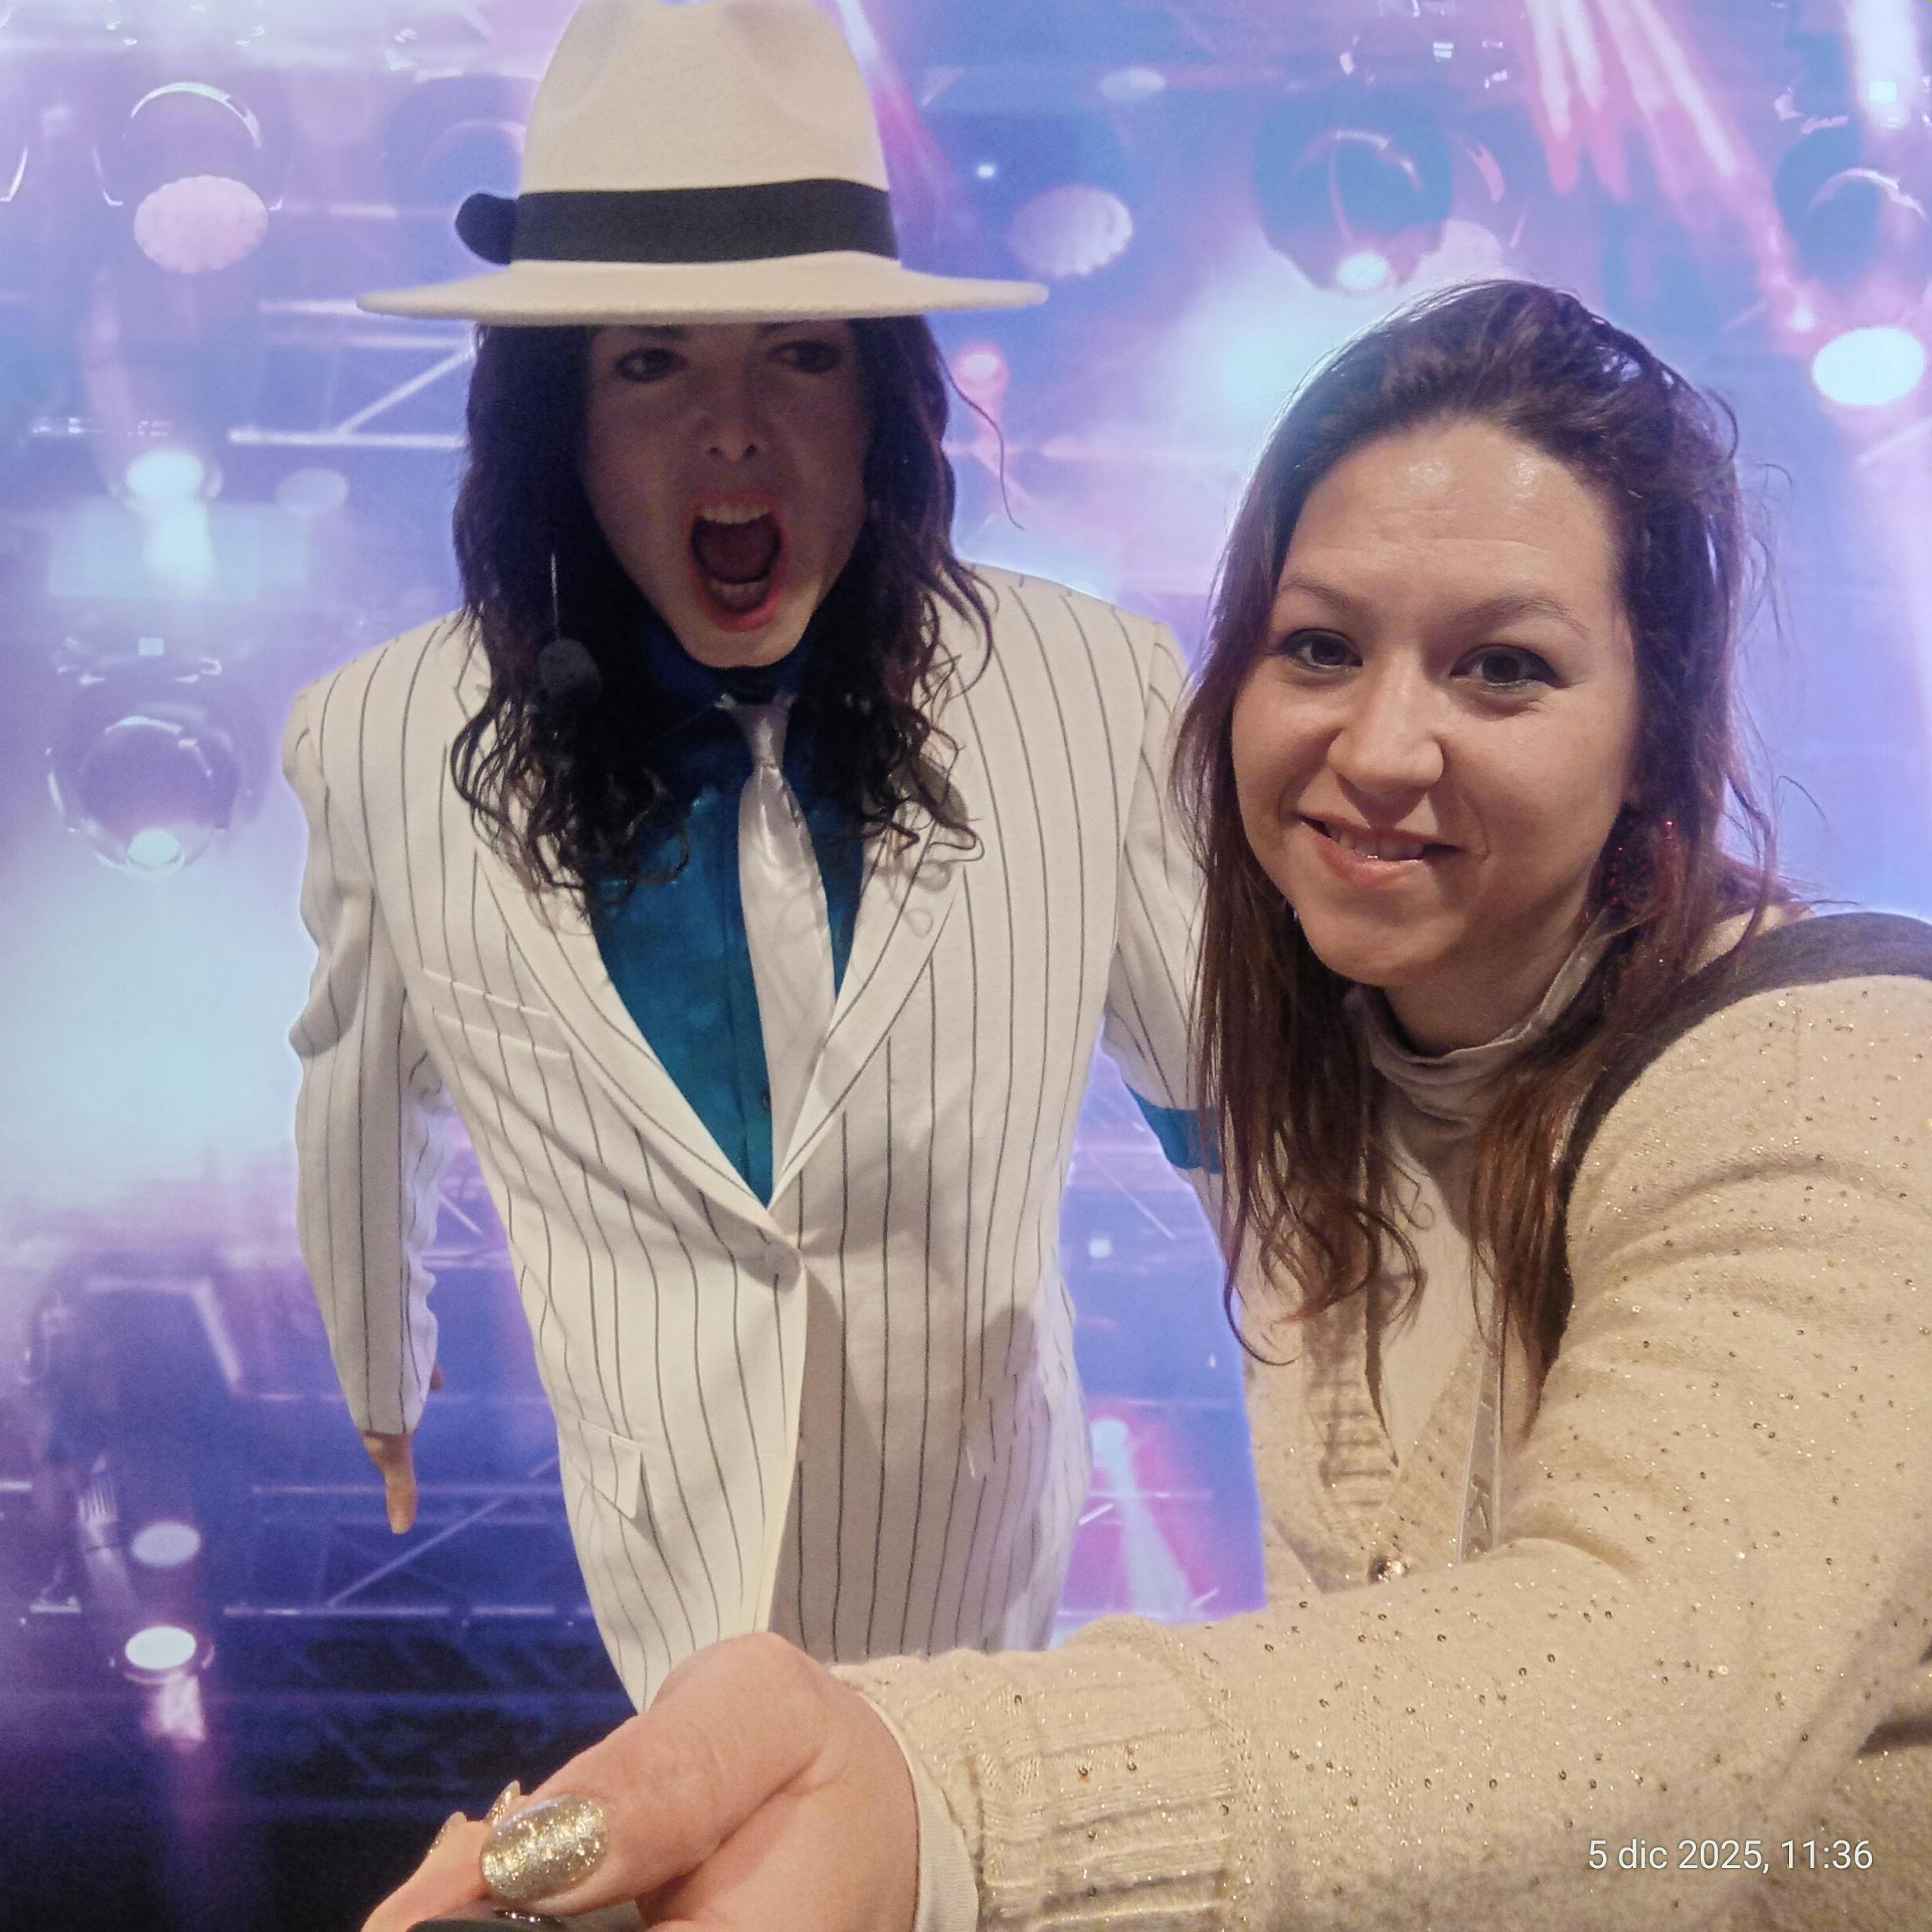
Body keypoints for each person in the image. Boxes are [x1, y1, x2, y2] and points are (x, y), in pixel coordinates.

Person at [365, 278, 1932, 1932]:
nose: (1381, 746)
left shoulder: (1833, 1072)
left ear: (1654, 731)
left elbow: (1640, 1715)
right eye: (1319, 648)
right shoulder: (1329, 1097)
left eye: (1503, 668)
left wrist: (930, 1798)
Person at [283, 0, 1204, 1713]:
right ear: (561, 422)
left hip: (967, 1571)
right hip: (667, 1561)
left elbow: (1231, 1093)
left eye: (800, 355)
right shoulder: (384, 737)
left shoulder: (1091, 686)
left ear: (883, 402)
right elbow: (357, 1093)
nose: (734, 431)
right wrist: (380, 1378)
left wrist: (1354, 1357)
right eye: (652, 363)